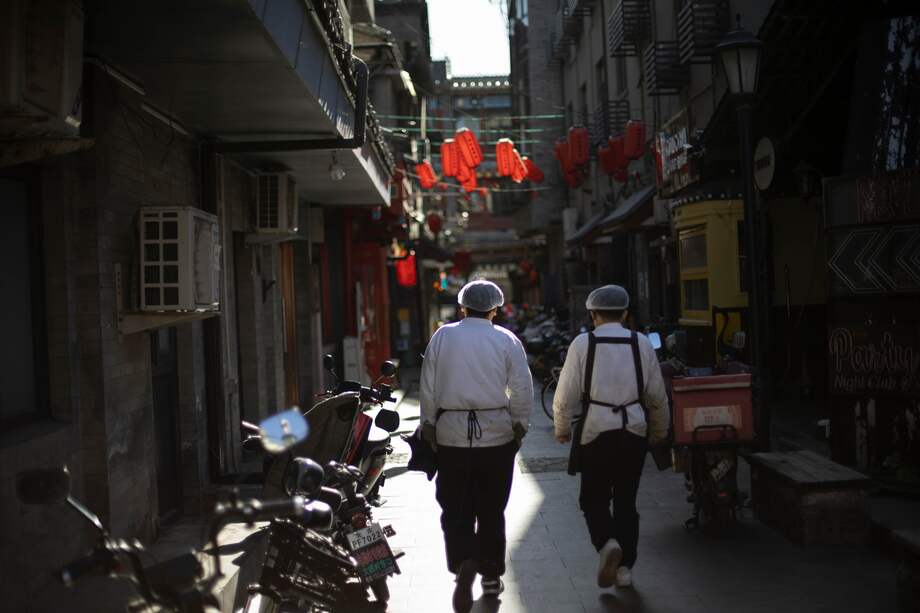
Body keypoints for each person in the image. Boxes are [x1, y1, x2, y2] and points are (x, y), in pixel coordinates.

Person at [420, 279, 533, 613]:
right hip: (496, 434)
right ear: (495, 310)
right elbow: (522, 388)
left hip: (451, 434)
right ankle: (490, 576)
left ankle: (463, 561)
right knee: (491, 509)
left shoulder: (443, 335)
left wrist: (428, 424)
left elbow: (428, 384)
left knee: (455, 507)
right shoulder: (507, 339)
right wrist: (519, 426)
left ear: (462, 307)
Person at [552, 285, 669, 589]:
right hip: (633, 432)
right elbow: (657, 395)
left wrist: (562, 428)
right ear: (626, 314)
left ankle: (606, 544)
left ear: (593, 315)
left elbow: (565, 395)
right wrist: (659, 431)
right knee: (627, 501)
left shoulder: (582, 344)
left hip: (596, 431)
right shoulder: (640, 343)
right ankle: (624, 570)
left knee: (593, 497)